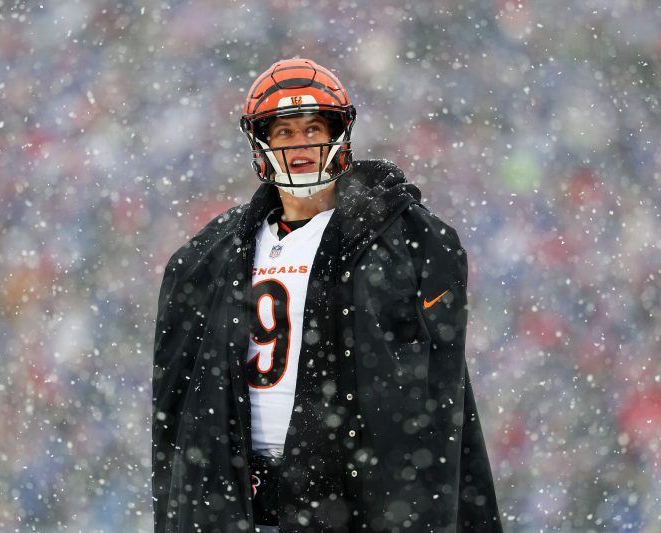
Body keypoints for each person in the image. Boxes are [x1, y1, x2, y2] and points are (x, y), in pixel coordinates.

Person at [152, 58, 503, 533]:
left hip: (346, 489)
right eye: (284, 132)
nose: (300, 144)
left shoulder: (392, 237)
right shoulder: (214, 252)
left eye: (312, 128)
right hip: (244, 496)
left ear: (339, 133)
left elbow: (431, 382)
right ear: (261, 142)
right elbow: (181, 396)